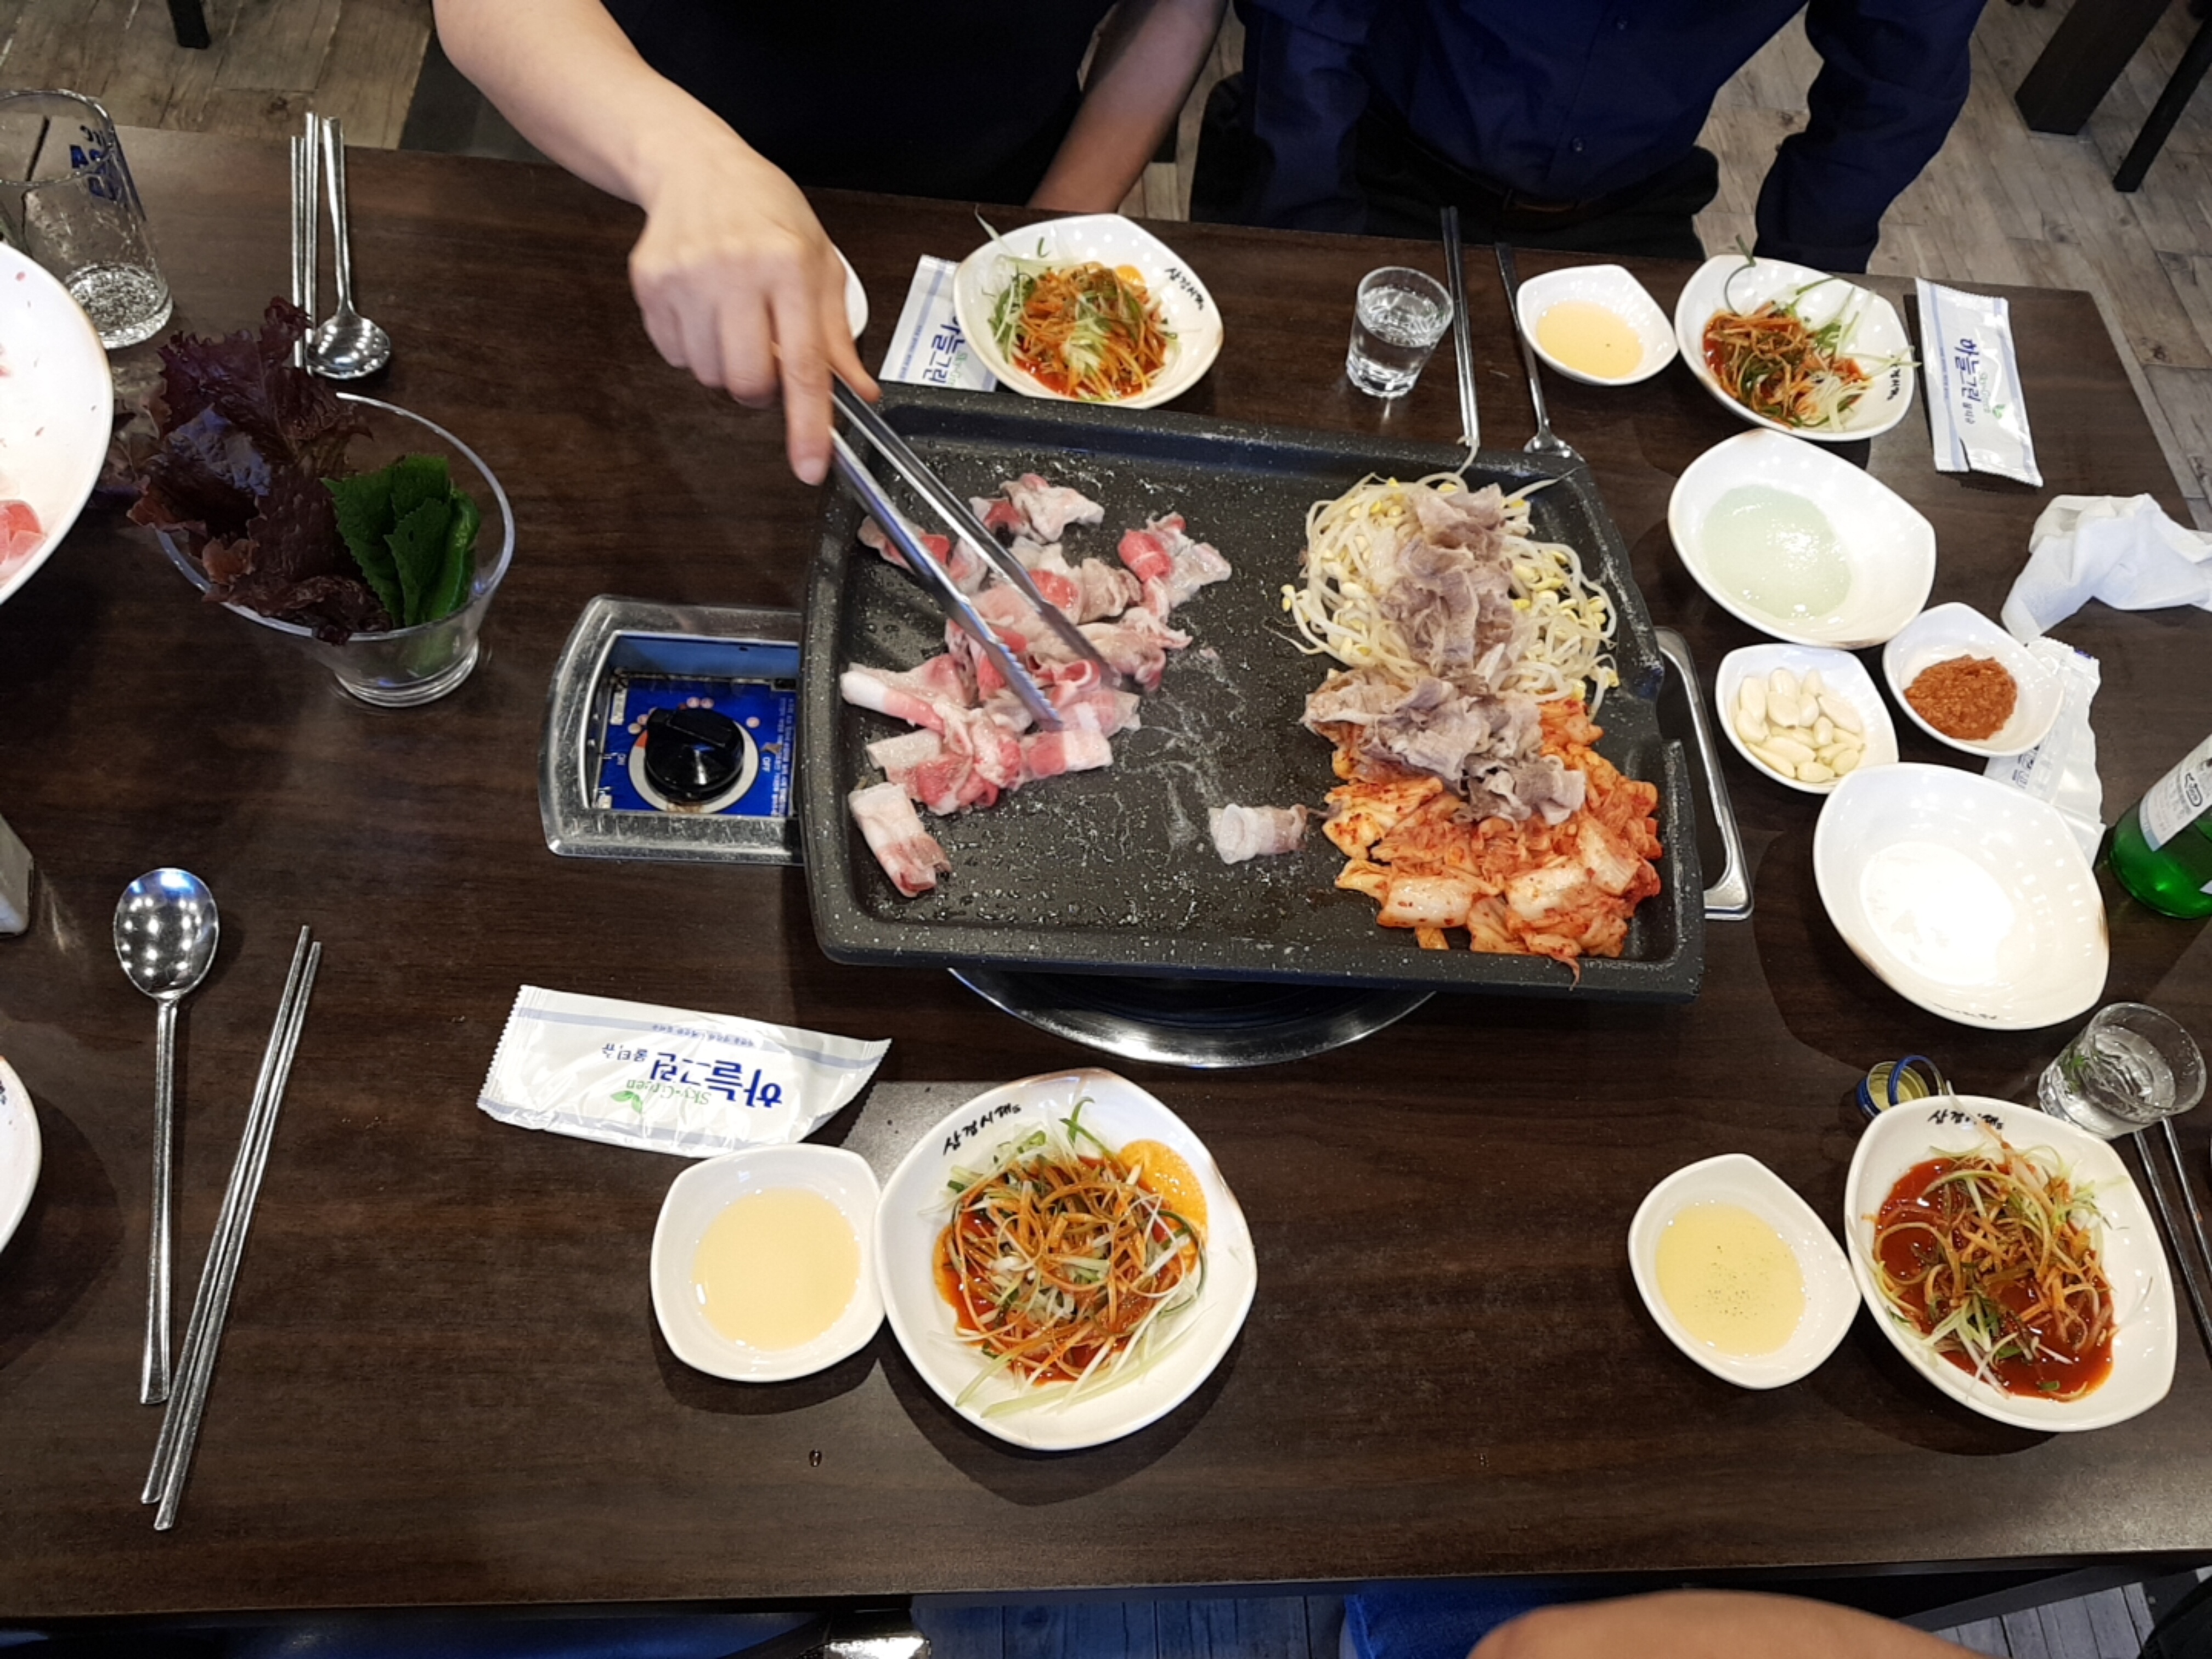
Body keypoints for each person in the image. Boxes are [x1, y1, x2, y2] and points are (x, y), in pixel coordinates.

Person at [434, 0, 1227, 483]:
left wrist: (1044, 236)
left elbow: (1177, 6)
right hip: (642, 180)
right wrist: (686, 162)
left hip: (987, 196)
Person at [1195, 0, 1986, 270]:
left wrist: (1799, 282)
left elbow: (1903, 73)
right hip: (1371, 161)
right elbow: (1309, 18)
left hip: (1627, 206)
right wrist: (1309, 232)